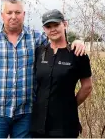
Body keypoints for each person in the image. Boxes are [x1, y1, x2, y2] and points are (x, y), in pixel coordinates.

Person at [0, 0, 85, 138]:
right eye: (9, 12)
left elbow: (57, 40)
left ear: (24, 14)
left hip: (27, 114)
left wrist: (77, 41)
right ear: (2, 15)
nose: (13, 16)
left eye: (17, 12)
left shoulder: (37, 38)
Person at [30, 9, 93, 138]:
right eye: (48, 26)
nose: (52, 29)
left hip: (65, 125)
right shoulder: (39, 52)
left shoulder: (77, 54)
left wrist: (70, 104)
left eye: (56, 25)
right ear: (44, 29)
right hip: (38, 124)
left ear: (65, 24)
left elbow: (87, 86)